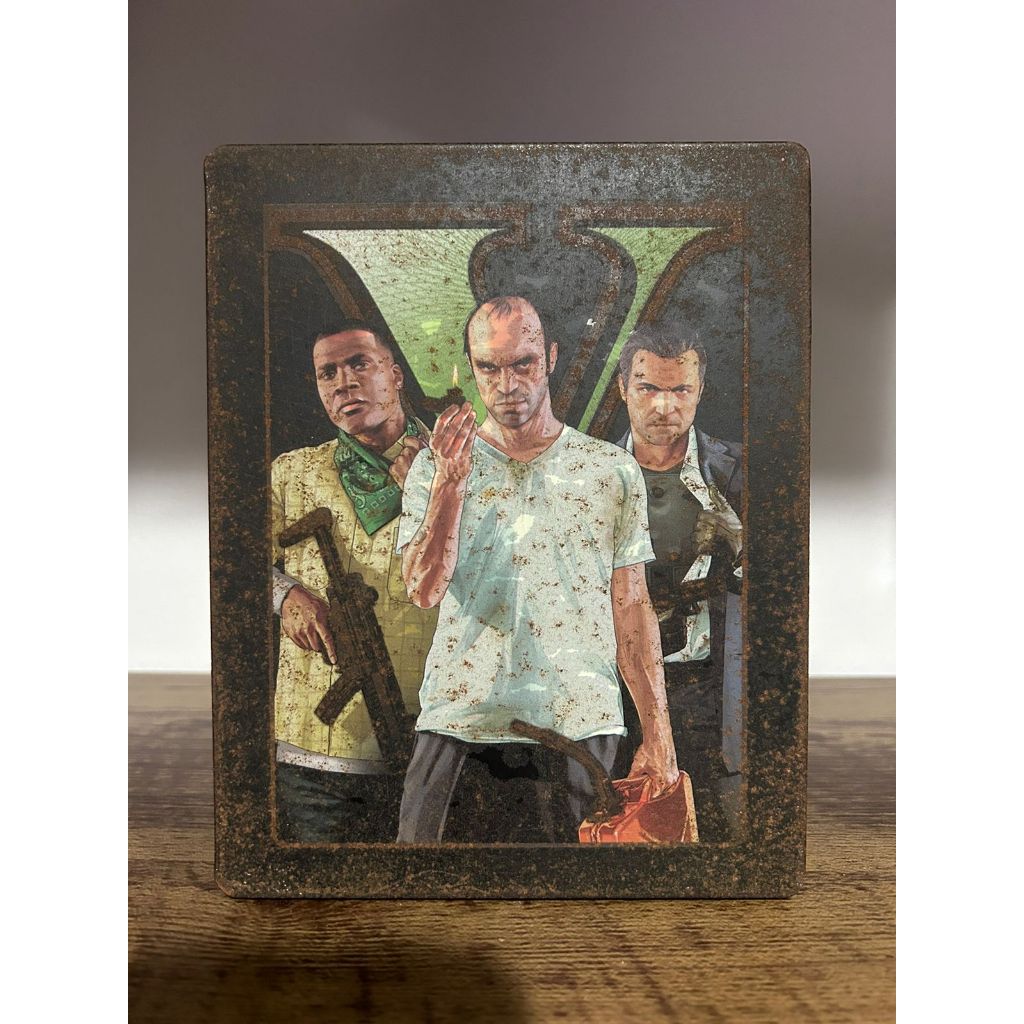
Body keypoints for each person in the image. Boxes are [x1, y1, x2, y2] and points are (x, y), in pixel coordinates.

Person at [394, 296, 679, 843]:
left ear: (549, 357)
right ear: (471, 367)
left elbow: (632, 610)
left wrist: (659, 735)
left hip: (579, 729)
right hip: (460, 722)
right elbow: (422, 590)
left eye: (522, 363)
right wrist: (451, 482)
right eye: (489, 367)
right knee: (425, 889)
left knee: (571, 896)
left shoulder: (610, 469)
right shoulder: (435, 465)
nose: (507, 384)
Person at [271, 320, 438, 842]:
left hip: (440, 744)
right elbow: (227, 563)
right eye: (328, 373)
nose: (344, 383)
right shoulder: (291, 474)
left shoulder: (462, 468)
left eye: (359, 364)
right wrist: (285, 595)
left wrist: (433, 493)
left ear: (396, 374)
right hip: (317, 752)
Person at [615, 323, 744, 839]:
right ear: (623, 388)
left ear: (700, 391)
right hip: (614, 692)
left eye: (680, 390)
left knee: (713, 832)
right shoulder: (587, 473)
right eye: (648, 388)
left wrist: (741, 542)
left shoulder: (742, 472)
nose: (664, 406)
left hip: (709, 690)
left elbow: (794, 588)